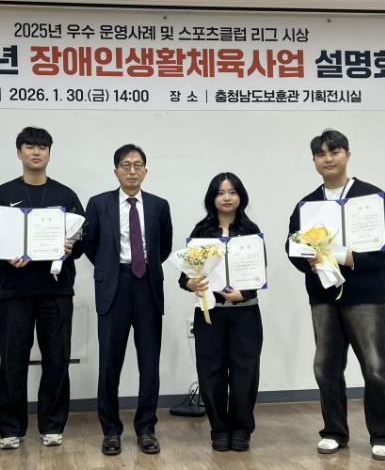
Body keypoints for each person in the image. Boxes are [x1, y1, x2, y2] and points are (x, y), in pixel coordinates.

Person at [286, 129, 385, 461]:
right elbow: (292, 245)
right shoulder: (307, 205)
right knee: (326, 367)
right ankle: (334, 431)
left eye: (334, 152)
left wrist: (353, 259)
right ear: (314, 161)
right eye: (321, 154)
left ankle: (383, 435)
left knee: (376, 368)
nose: (328, 158)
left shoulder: (373, 198)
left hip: (366, 295)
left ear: (347, 154)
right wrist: (306, 260)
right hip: (324, 296)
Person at [0, 126, 84, 450]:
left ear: (49, 153)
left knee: (57, 360)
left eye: (42, 147)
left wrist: (71, 247)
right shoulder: (0, 195)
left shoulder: (66, 196)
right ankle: (10, 428)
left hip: (56, 292)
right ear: (19, 152)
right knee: (12, 360)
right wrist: (5, 255)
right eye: (29, 147)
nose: (36, 152)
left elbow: (82, 241)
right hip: (15, 293)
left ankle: (52, 425)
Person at [84, 144, 173, 456]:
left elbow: (163, 247)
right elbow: (91, 245)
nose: (132, 170)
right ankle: (110, 430)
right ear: (116, 171)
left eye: (137, 165)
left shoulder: (159, 205)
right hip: (114, 285)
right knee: (109, 362)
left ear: (146, 170)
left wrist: (143, 266)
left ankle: (146, 428)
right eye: (126, 165)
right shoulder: (98, 204)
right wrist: (111, 268)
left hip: (147, 284)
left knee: (149, 362)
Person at [178, 172, 264, 452]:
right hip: (209, 313)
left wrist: (245, 294)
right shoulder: (201, 231)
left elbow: (259, 273)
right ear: (212, 198)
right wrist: (190, 283)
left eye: (232, 192)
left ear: (241, 196)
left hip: (245, 313)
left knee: (245, 372)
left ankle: (241, 429)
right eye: (220, 192)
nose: (227, 198)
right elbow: (185, 276)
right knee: (210, 372)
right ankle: (219, 428)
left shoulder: (251, 230)